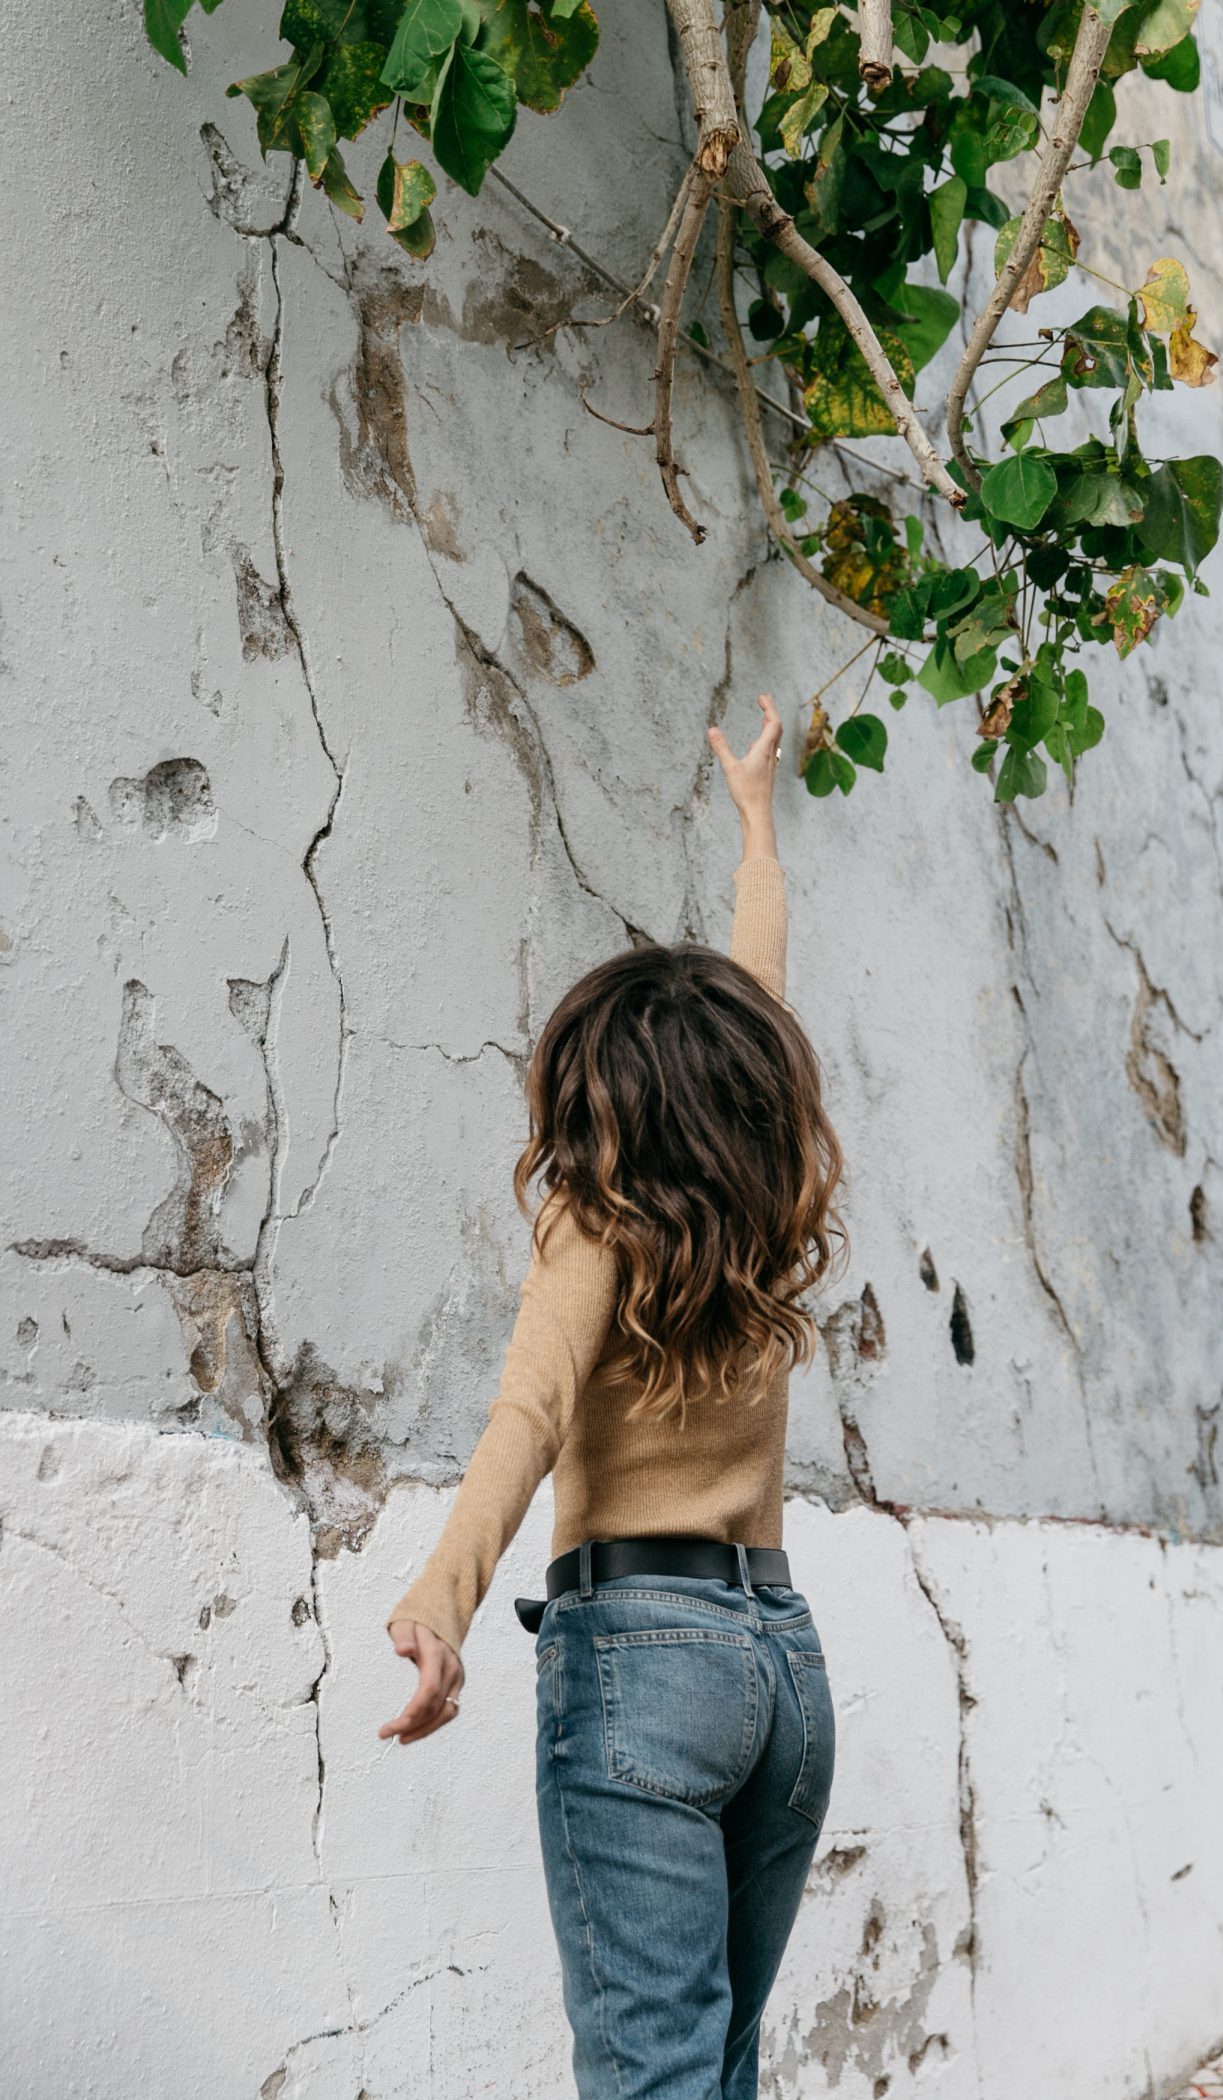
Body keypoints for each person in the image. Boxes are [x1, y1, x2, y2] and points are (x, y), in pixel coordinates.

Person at [380, 693, 845, 2099]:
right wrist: (760, 828)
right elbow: (755, 1004)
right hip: (784, 1676)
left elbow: (527, 1413)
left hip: (640, 1664)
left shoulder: (596, 1221)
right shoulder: (758, 1204)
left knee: (655, 2079)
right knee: (720, 2068)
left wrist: (440, 1601)